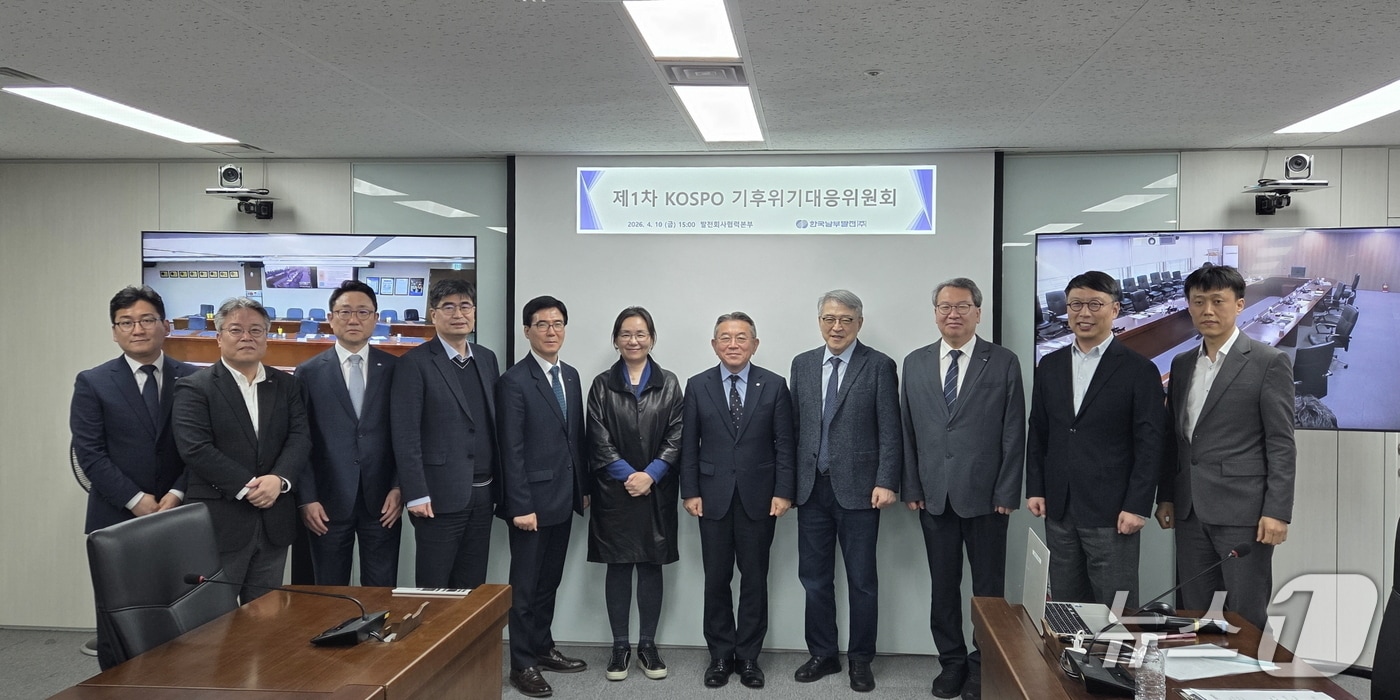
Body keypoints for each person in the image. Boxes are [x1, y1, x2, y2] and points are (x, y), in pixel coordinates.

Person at [901, 278, 1025, 700]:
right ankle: (951, 662)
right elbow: (907, 430)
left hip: (988, 498)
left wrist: (1007, 492)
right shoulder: (915, 362)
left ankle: (982, 664)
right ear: (935, 312)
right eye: (944, 306)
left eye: (962, 306)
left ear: (978, 311)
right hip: (934, 496)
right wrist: (911, 485)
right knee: (943, 586)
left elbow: (1014, 431)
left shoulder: (1003, 361)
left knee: (988, 591)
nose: (952, 313)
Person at [1155, 264, 1296, 630]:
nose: (1208, 310)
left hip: (1243, 514)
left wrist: (1277, 511)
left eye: (1218, 301)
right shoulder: (1182, 364)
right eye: (1198, 301)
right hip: (1189, 511)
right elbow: (1175, 438)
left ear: (1239, 304)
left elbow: (1281, 443)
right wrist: (1166, 496)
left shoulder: (1268, 362)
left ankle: (1250, 669)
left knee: (1246, 615)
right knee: (1195, 613)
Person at [70, 285, 198, 668]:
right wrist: (136, 500)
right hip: (116, 518)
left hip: (180, 514)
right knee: (119, 619)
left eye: (146, 320)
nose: (137, 329)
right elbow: (90, 454)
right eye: (125, 322)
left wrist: (177, 492)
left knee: (182, 616)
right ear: (114, 332)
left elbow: (202, 447)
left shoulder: (194, 378)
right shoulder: (93, 382)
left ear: (165, 326)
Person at [1026, 272, 1165, 612]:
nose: (1083, 313)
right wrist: (1036, 488)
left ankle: (1116, 651)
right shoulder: (1050, 365)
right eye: (1075, 304)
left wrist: (1137, 505)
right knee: (1066, 606)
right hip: (1059, 507)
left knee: (1114, 610)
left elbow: (1150, 444)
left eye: (1094, 304)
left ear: (1115, 309)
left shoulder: (1139, 370)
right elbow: (1039, 430)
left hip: (1112, 511)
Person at [789, 289, 901, 693]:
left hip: (861, 490)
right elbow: (795, 428)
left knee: (862, 581)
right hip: (811, 490)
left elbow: (890, 430)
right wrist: (788, 485)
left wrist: (886, 480)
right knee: (814, 579)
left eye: (845, 320)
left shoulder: (879, 365)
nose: (836, 327)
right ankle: (823, 654)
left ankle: (860, 659)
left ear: (859, 323)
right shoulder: (802, 364)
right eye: (829, 319)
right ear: (820, 321)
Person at [680, 311, 795, 689]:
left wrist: (783, 491)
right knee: (716, 579)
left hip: (759, 498)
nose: (733, 344)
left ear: (755, 344)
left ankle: (748, 657)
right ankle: (719, 656)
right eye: (725, 338)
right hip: (711, 497)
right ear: (714, 345)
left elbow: (785, 444)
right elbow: (689, 445)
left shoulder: (774, 385)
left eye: (741, 337)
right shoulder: (697, 385)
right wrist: (690, 491)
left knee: (755, 579)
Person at [173, 297, 311, 602]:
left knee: (264, 616)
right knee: (214, 616)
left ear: (267, 337)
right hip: (221, 520)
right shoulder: (195, 387)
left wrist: (279, 480)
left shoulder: (287, 385)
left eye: (256, 330)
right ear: (219, 337)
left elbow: (300, 437)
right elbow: (195, 448)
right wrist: (247, 486)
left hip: (275, 517)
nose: (247, 337)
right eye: (236, 330)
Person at [497, 295, 591, 698]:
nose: (551, 331)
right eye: (542, 324)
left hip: (564, 498)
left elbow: (576, 438)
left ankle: (542, 647)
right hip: (530, 504)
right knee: (525, 588)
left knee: (549, 582)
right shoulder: (514, 381)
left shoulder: (570, 375)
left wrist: (582, 489)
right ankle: (522, 664)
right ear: (527, 331)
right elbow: (511, 449)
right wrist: (520, 505)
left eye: (557, 324)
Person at [586, 306, 685, 683]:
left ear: (652, 339)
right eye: (626, 334)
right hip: (615, 492)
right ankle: (619, 646)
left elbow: (678, 434)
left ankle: (647, 645)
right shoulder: (601, 385)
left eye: (641, 333)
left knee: (650, 564)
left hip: (656, 491)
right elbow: (597, 438)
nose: (633, 340)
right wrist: (630, 475)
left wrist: (652, 474)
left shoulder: (670, 383)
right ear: (615, 340)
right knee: (618, 565)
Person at [390, 279, 499, 589]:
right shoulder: (414, 363)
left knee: (472, 586)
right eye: (448, 307)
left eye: (465, 306)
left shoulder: (486, 358)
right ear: (433, 314)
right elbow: (405, 435)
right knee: (435, 587)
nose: (458, 314)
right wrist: (416, 493)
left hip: (483, 494)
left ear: (474, 312)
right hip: (437, 496)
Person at [296, 280, 401, 586]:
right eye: (345, 312)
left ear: (376, 318)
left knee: (381, 588)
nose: (354, 319)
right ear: (330, 318)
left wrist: (399, 487)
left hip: (382, 501)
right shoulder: (308, 372)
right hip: (326, 502)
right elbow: (300, 440)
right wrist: (307, 499)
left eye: (363, 312)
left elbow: (405, 435)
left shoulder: (395, 369)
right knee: (329, 590)